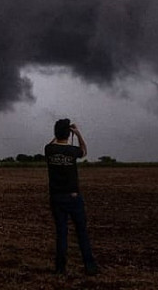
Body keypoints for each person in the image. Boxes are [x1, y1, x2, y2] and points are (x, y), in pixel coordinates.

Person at [44, 118, 98, 276]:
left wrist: (60, 133)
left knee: (61, 233)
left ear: (55, 133)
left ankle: (60, 268)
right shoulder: (72, 151)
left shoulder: (49, 149)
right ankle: (89, 266)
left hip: (56, 198)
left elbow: (52, 144)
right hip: (73, 197)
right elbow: (84, 150)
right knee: (81, 232)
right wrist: (77, 133)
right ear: (68, 134)